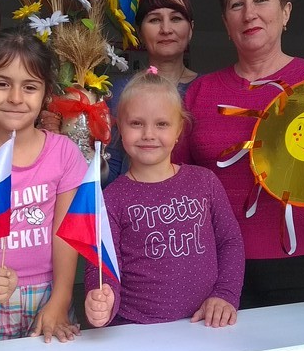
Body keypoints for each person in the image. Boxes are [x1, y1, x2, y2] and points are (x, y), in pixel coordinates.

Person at [174, 0, 304, 308]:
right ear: (226, 23)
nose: (249, 14)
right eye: (237, 5)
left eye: (261, 0)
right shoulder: (200, 93)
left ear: (286, 12)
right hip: (219, 271)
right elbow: (174, 176)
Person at [0, 27, 87, 344]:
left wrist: (61, 300)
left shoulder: (64, 153)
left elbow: (66, 235)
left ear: (46, 94)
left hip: (51, 295)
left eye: (30, 87)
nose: (15, 98)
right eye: (1, 83)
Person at [84, 69, 244, 328]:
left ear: (179, 129)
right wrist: (102, 298)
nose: (148, 134)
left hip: (204, 325)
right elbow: (102, 264)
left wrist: (225, 294)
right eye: (136, 123)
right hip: (135, 329)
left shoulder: (205, 182)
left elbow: (230, 242)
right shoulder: (111, 198)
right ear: (119, 127)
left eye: (162, 124)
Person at [106, 0, 198, 183]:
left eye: (176, 18)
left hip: (191, 201)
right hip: (131, 199)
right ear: (139, 32)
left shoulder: (207, 89)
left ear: (191, 29)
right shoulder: (120, 91)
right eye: (155, 20)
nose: (166, 29)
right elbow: (112, 167)